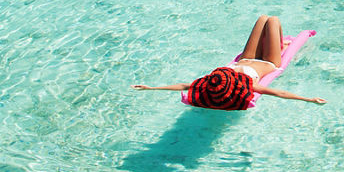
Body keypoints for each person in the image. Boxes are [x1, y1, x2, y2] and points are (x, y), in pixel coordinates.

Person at [133, 15, 326, 107]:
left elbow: (185, 85)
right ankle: (283, 45)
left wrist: (152, 88)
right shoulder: (251, 85)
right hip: (269, 62)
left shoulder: (217, 80)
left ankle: (281, 42)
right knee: (273, 20)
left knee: (262, 19)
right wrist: (309, 99)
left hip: (245, 58)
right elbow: (279, 92)